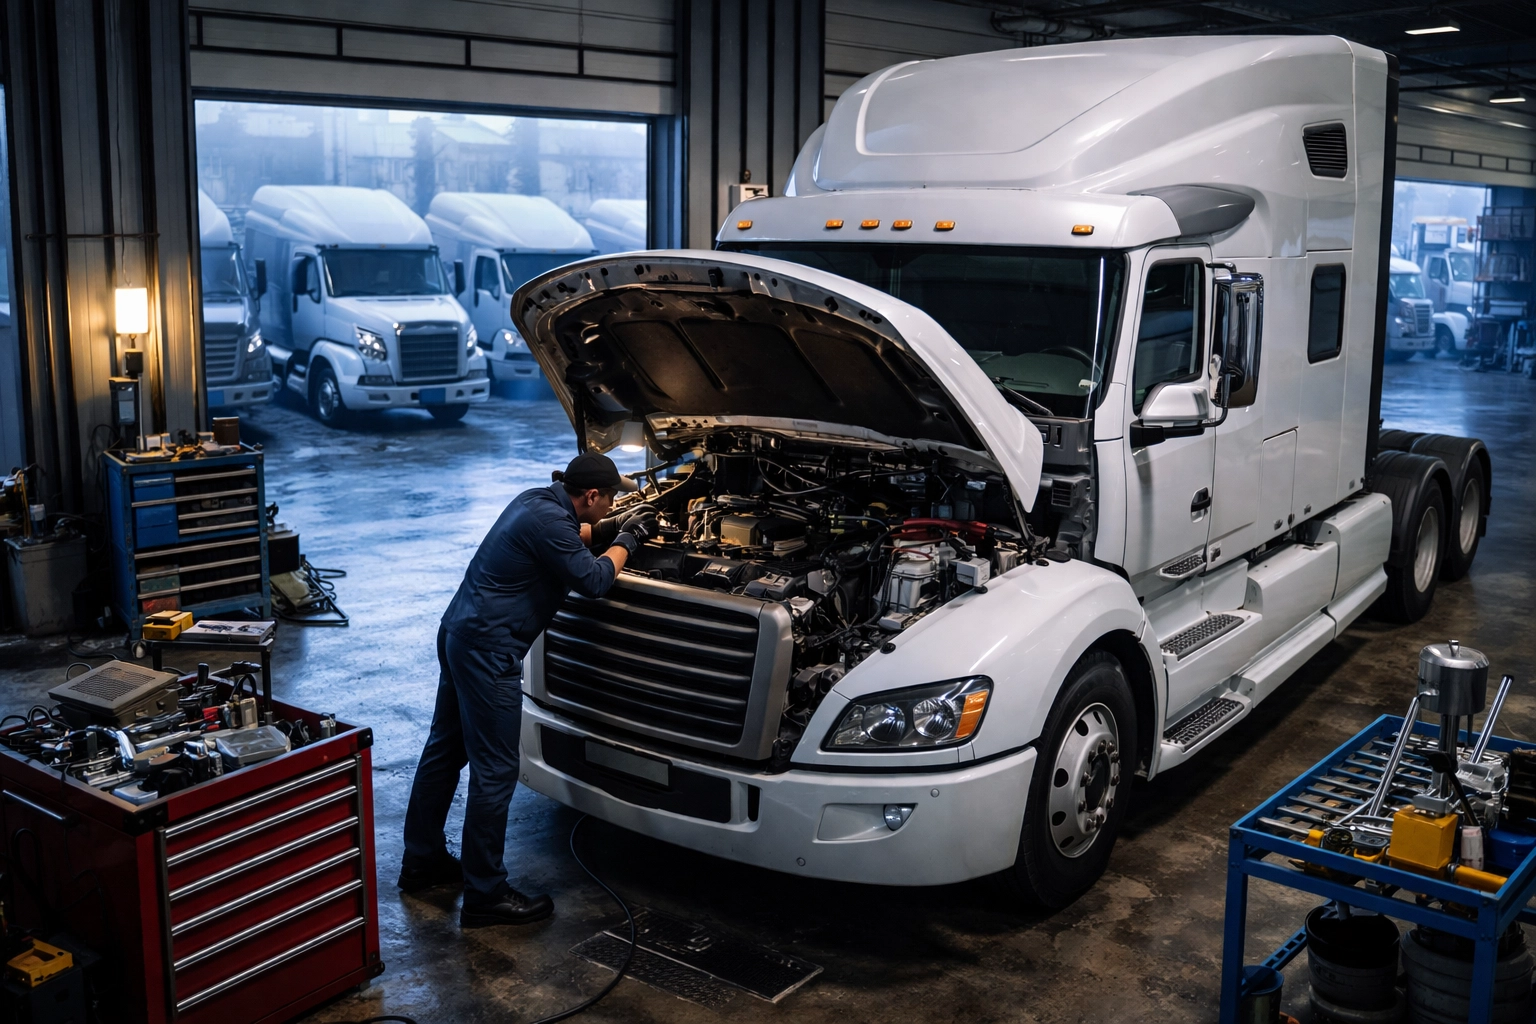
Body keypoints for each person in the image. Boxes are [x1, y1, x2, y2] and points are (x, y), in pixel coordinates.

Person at [399, 451, 657, 927]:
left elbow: (576, 536)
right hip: (489, 652)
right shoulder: (553, 524)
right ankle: (485, 895)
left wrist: (613, 526)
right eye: (611, 499)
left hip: (459, 633)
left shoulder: (536, 502)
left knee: (445, 750)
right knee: (496, 770)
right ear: (591, 495)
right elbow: (595, 579)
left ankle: (422, 862)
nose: (612, 504)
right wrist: (629, 539)